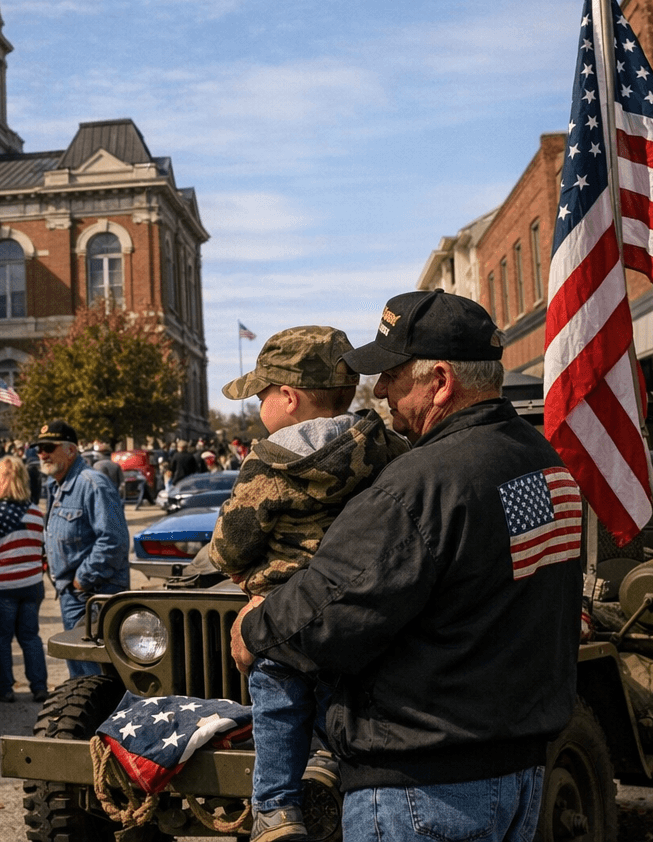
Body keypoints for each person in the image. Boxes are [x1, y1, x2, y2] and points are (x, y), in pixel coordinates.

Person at [233, 290, 582, 842]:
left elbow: (330, 616)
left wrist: (256, 624)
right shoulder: (542, 462)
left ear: (440, 381)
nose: (378, 391)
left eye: (392, 375)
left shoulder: (418, 487)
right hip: (518, 773)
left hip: (423, 787)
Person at [211, 327, 408, 842]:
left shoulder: (270, 461)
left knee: (275, 697)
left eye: (261, 396)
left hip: (280, 612)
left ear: (288, 397)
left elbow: (232, 542)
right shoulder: (389, 447)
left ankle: (276, 808)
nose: (258, 407)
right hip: (358, 609)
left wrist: (244, 573)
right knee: (338, 694)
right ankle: (326, 763)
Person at [36, 420, 129, 678]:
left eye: (49, 447)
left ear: (71, 450)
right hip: (73, 596)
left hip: (94, 596)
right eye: (39, 448)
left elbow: (114, 541)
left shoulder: (92, 484)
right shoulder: (57, 485)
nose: (42, 453)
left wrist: (82, 579)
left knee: (95, 679)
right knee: (80, 676)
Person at [0, 456, 49, 703]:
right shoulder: (36, 512)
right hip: (32, 584)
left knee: (0, 639)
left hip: (1, 586)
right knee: (30, 636)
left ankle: (4, 688)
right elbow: (41, 549)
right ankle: (40, 687)